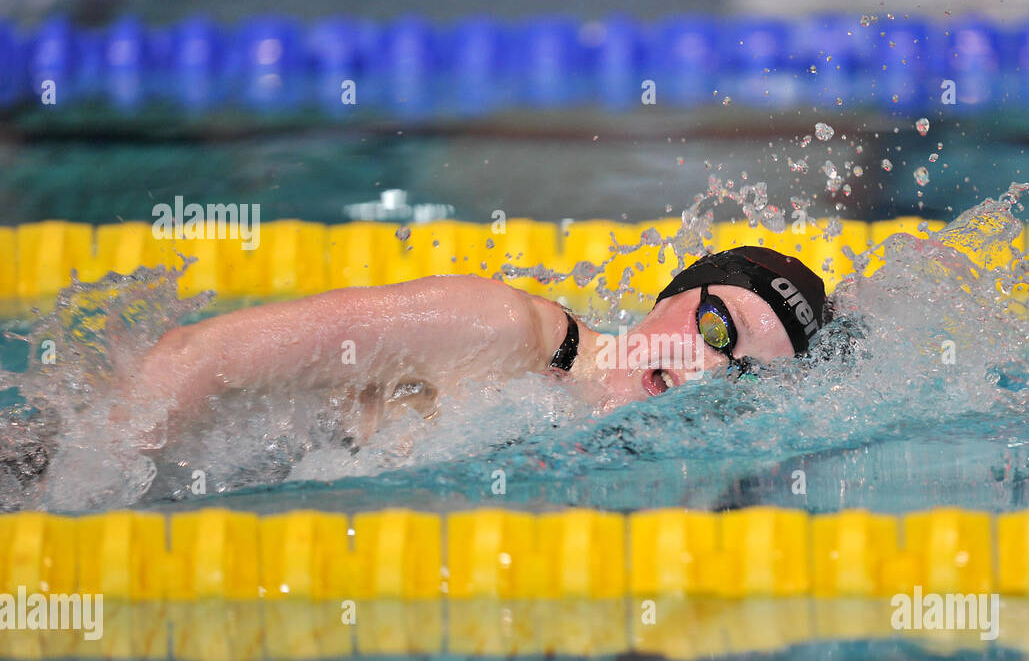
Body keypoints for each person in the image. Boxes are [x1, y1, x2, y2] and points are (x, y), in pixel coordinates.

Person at [121, 245, 831, 445]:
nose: (705, 369)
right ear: (674, 295)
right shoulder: (501, 331)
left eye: (742, 376)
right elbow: (193, 360)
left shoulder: (612, 441)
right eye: (716, 331)